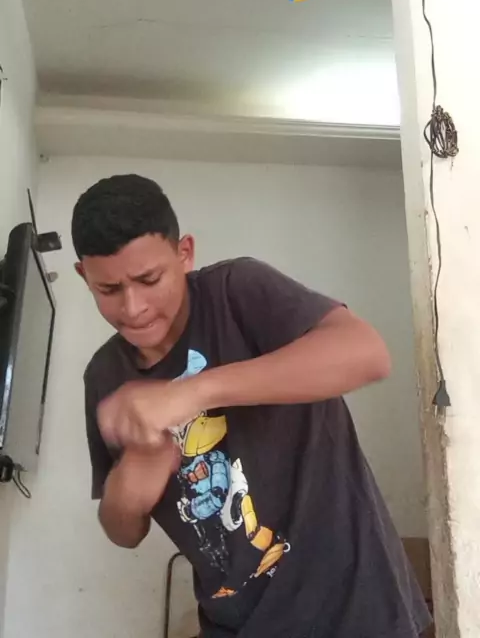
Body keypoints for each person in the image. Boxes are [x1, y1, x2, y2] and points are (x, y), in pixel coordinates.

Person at [74, 173, 433, 638]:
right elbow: (124, 532)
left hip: (353, 609)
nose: (133, 307)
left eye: (149, 279)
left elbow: (367, 354)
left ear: (184, 253)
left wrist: (192, 392)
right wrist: (131, 482)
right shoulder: (104, 376)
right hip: (234, 623)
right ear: (84, 276)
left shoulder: (236, 290)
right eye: (108, 290)